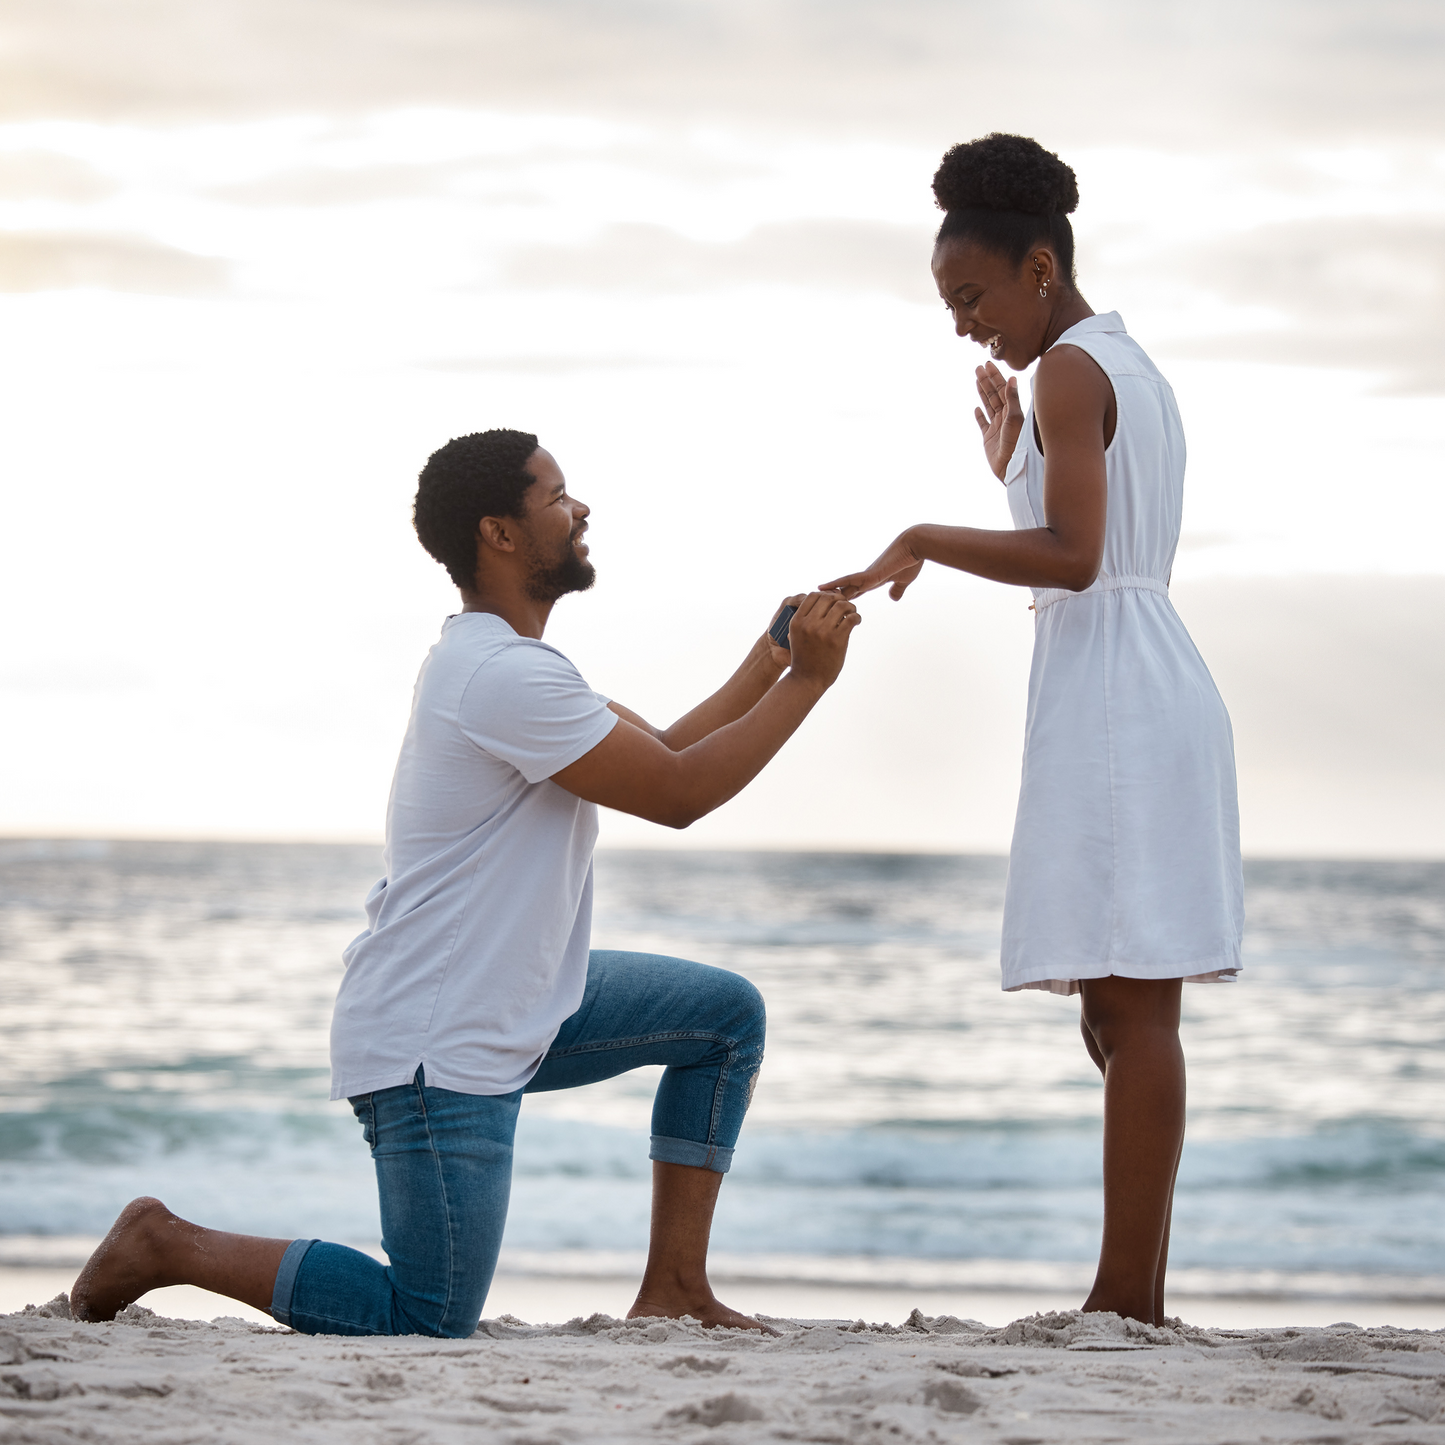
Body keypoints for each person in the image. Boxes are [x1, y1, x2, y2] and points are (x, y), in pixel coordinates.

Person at [73, 428, 860, 1337]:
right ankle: (166, 1242)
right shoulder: (500, 676)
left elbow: (672, 747)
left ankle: (676, 1284)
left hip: (518, 998)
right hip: (435, 1038)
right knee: (429, 1312)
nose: (582, 509)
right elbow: (680, 795)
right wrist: (809, 682)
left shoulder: (510, 666)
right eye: (558, 495)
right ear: (500, 532)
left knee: (724, 1018)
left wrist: (771, 657)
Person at [822, 134, 1243, 1325]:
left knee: (1132, 1006)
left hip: (1117, 695)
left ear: (1039, 267)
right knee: (1112, 1007)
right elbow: (1082, 524)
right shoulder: (1116, 366)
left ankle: (1125, 1298)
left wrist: (922, 534)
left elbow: (1073, 556)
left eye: (970, 296)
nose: (962, 324)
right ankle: (1135, 1292)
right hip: (1130, 681)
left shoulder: (1069, 370)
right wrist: (1009, 460)